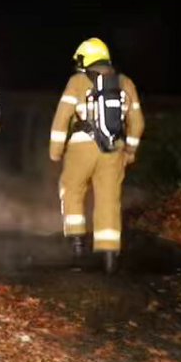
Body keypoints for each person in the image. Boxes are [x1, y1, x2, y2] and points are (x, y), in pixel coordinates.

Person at [48, 38, 144, 273]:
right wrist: (130, 150)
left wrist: (56, 151)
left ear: (85, 59)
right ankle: (110, 255)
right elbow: (138, 122)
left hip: (82, 147)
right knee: (109, 199)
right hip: (114, 149)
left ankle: (78, 247)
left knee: (71, 189)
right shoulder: (125, 82)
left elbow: (62, 119)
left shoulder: (77, 82)